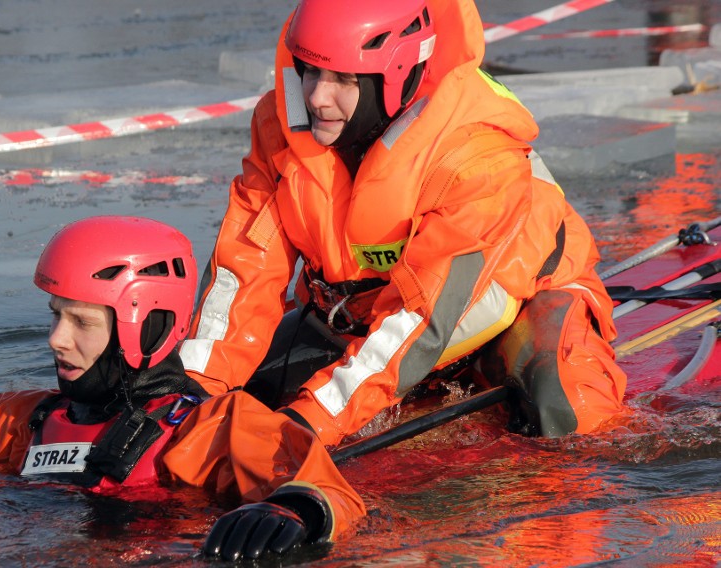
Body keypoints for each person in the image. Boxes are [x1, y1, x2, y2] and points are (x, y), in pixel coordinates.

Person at [182, 0, 629, 551]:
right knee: (229, 409)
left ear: (397, 75)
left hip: (508, 305)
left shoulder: (475, 155)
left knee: (563, 409)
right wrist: (186, 397)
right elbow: (243, 271)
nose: (318, 96)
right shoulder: (280, 123)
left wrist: (306, 426)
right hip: (360, 316)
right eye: (311, 71)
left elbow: (422, 321)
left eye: (344, 79)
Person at [0, 215, 366, 560]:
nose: (56, 340)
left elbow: (329, 492)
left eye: (81, 322)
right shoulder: (24, 422)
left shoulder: (211, 429)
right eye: (56, 317)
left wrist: (293, 508)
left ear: (144, 325)